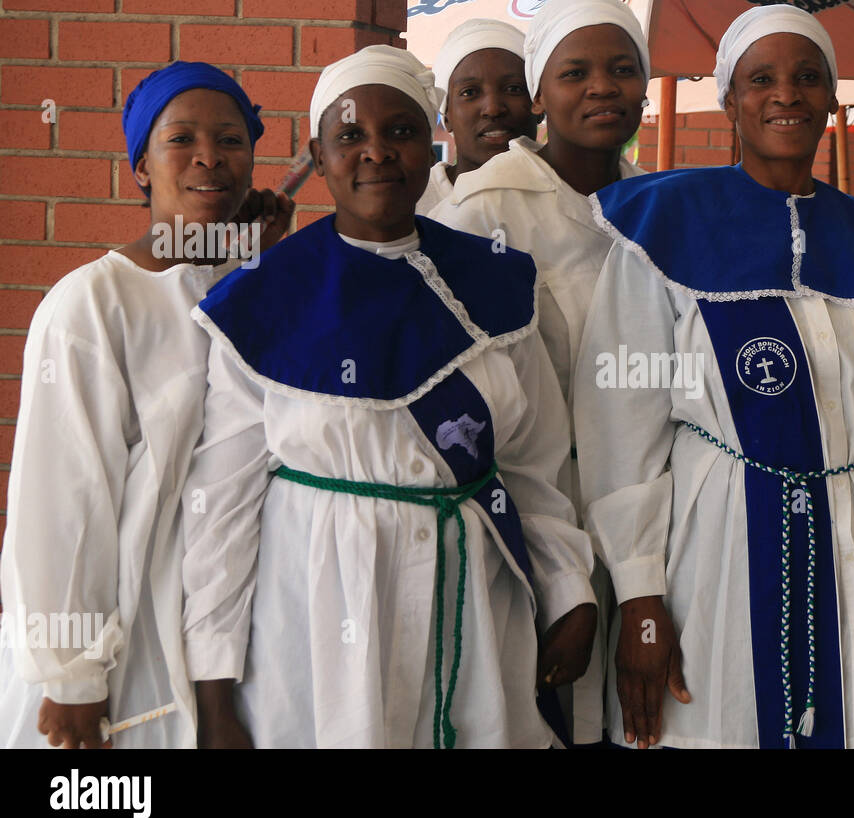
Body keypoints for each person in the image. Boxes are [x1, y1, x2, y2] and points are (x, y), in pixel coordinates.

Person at [181, 45, 597, 749]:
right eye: (349, 137)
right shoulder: (262, 300)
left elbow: (533, 465)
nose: (376, 153)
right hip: (314, 612)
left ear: (430, 139)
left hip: (470, 599)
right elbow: (221, 510)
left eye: (399, 131)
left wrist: (569, 590)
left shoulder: (492, 282)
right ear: (317, 153)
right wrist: (215, 692)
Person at [573, 5, 854, 749]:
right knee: (721, 720)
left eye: (808, 78)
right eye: (763, 79)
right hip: (716, 551)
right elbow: (622, 427)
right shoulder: (667, 225)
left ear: (832, 100)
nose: (787, 95)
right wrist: (642, 596)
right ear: (730, 100)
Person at [0, 62, 289, 748]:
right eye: (180, 140)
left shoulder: (249, 281)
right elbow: (62, 503)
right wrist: (72, 677)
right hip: (125, 645)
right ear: (140, 166)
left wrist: (256, 262)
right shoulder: (93, 304)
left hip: (236, 634)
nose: (209, 159)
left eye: (230, 140)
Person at [433, 0, 651, 746]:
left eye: (623, 70)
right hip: (526, 531)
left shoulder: (657, 213)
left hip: (648, 531)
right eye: (576, 73)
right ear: (540, 93)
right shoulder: (483, 213)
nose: (601, 88)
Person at [414, 18, 538, 214]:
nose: (493, 109)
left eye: (513, 88)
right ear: (446, 115)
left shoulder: (578, 197)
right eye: (469, 92)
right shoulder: (412, 203)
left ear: (538, 102)